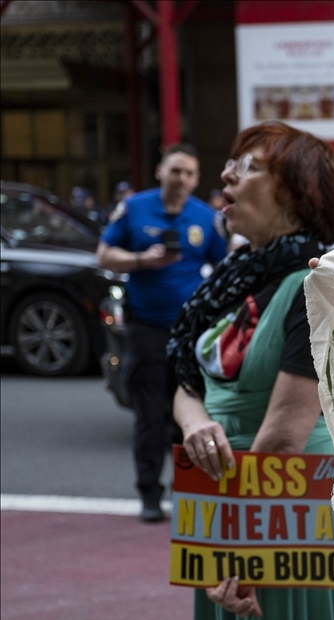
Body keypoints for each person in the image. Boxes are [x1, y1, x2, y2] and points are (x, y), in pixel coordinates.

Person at [168, 121, 334, 620]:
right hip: (232, 504)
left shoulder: (318, 287)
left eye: (249, 167)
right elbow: (187, 384)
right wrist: (196, 421)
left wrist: (240, 553)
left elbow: (284, 435)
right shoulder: (234, 283)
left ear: (297, 199)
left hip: (288, 514)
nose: (226, 174)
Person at [97, 143, 226, 522]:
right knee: (149, 416)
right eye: (175, 171)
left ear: (197, 179)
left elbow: (224, 267)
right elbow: (103, 254)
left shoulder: (204, 217)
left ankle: (185, 493)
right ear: (160, 172)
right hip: (146, 329)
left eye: (189, 173)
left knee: (188, 418)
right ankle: (149, 495)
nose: (181, 179)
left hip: (190, 333)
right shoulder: (135, 208)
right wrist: (141, 260)